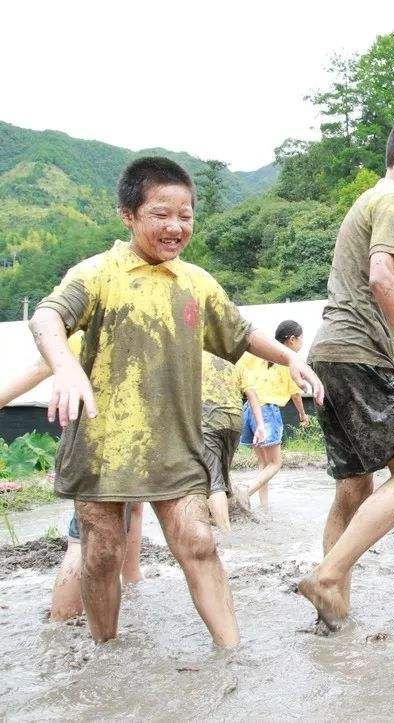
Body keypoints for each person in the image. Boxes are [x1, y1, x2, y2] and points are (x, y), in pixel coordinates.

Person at [29, 156, 323, 646]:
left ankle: (233, 653)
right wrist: (64, 365)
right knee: (101, 555)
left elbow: (241, 332)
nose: (175, 226)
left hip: (176, 443)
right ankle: (106, 650)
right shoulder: (98, 273)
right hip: (105, 446)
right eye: (161, 214)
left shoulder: (196, 282)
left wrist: (289, 360)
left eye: (185, 215)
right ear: (128, 215)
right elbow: (46, 317)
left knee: (199, 543)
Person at [299, 111, 394, 630]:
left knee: (354, 486)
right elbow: (383, 277)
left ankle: (331, 615)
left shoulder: (368, 202)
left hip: (329, 355)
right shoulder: (390, 201)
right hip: (359, 353)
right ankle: (328, 574)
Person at [0, 333, 145, 621]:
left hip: (113, 448)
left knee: (127, 512)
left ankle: (132, 579)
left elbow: (35, 370)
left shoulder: (82, 334)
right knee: (82, 540)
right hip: (105, 447)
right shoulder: (94, 333)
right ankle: (61, 621)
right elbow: (37, 370)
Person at [236, 320, 309, 511]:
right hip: (267, 411)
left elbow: (239, 366)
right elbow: (295, 394)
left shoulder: (256, 353)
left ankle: (264, 506)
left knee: (264, 464)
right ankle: (246, 489)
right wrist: (302, 415)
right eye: (301, 339)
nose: (302, 344)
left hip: (249, 409)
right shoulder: (287, 361)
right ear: (292, 340)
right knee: (276, 463)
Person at [203, 351, 262, 531]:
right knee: (222, 473)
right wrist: (260, 425)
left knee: (212, 479)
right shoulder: (234, 362)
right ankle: (227, 514)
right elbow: (251, 393)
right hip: (235, 420)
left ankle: (226, 532)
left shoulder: (195, 356)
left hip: (208, 417)